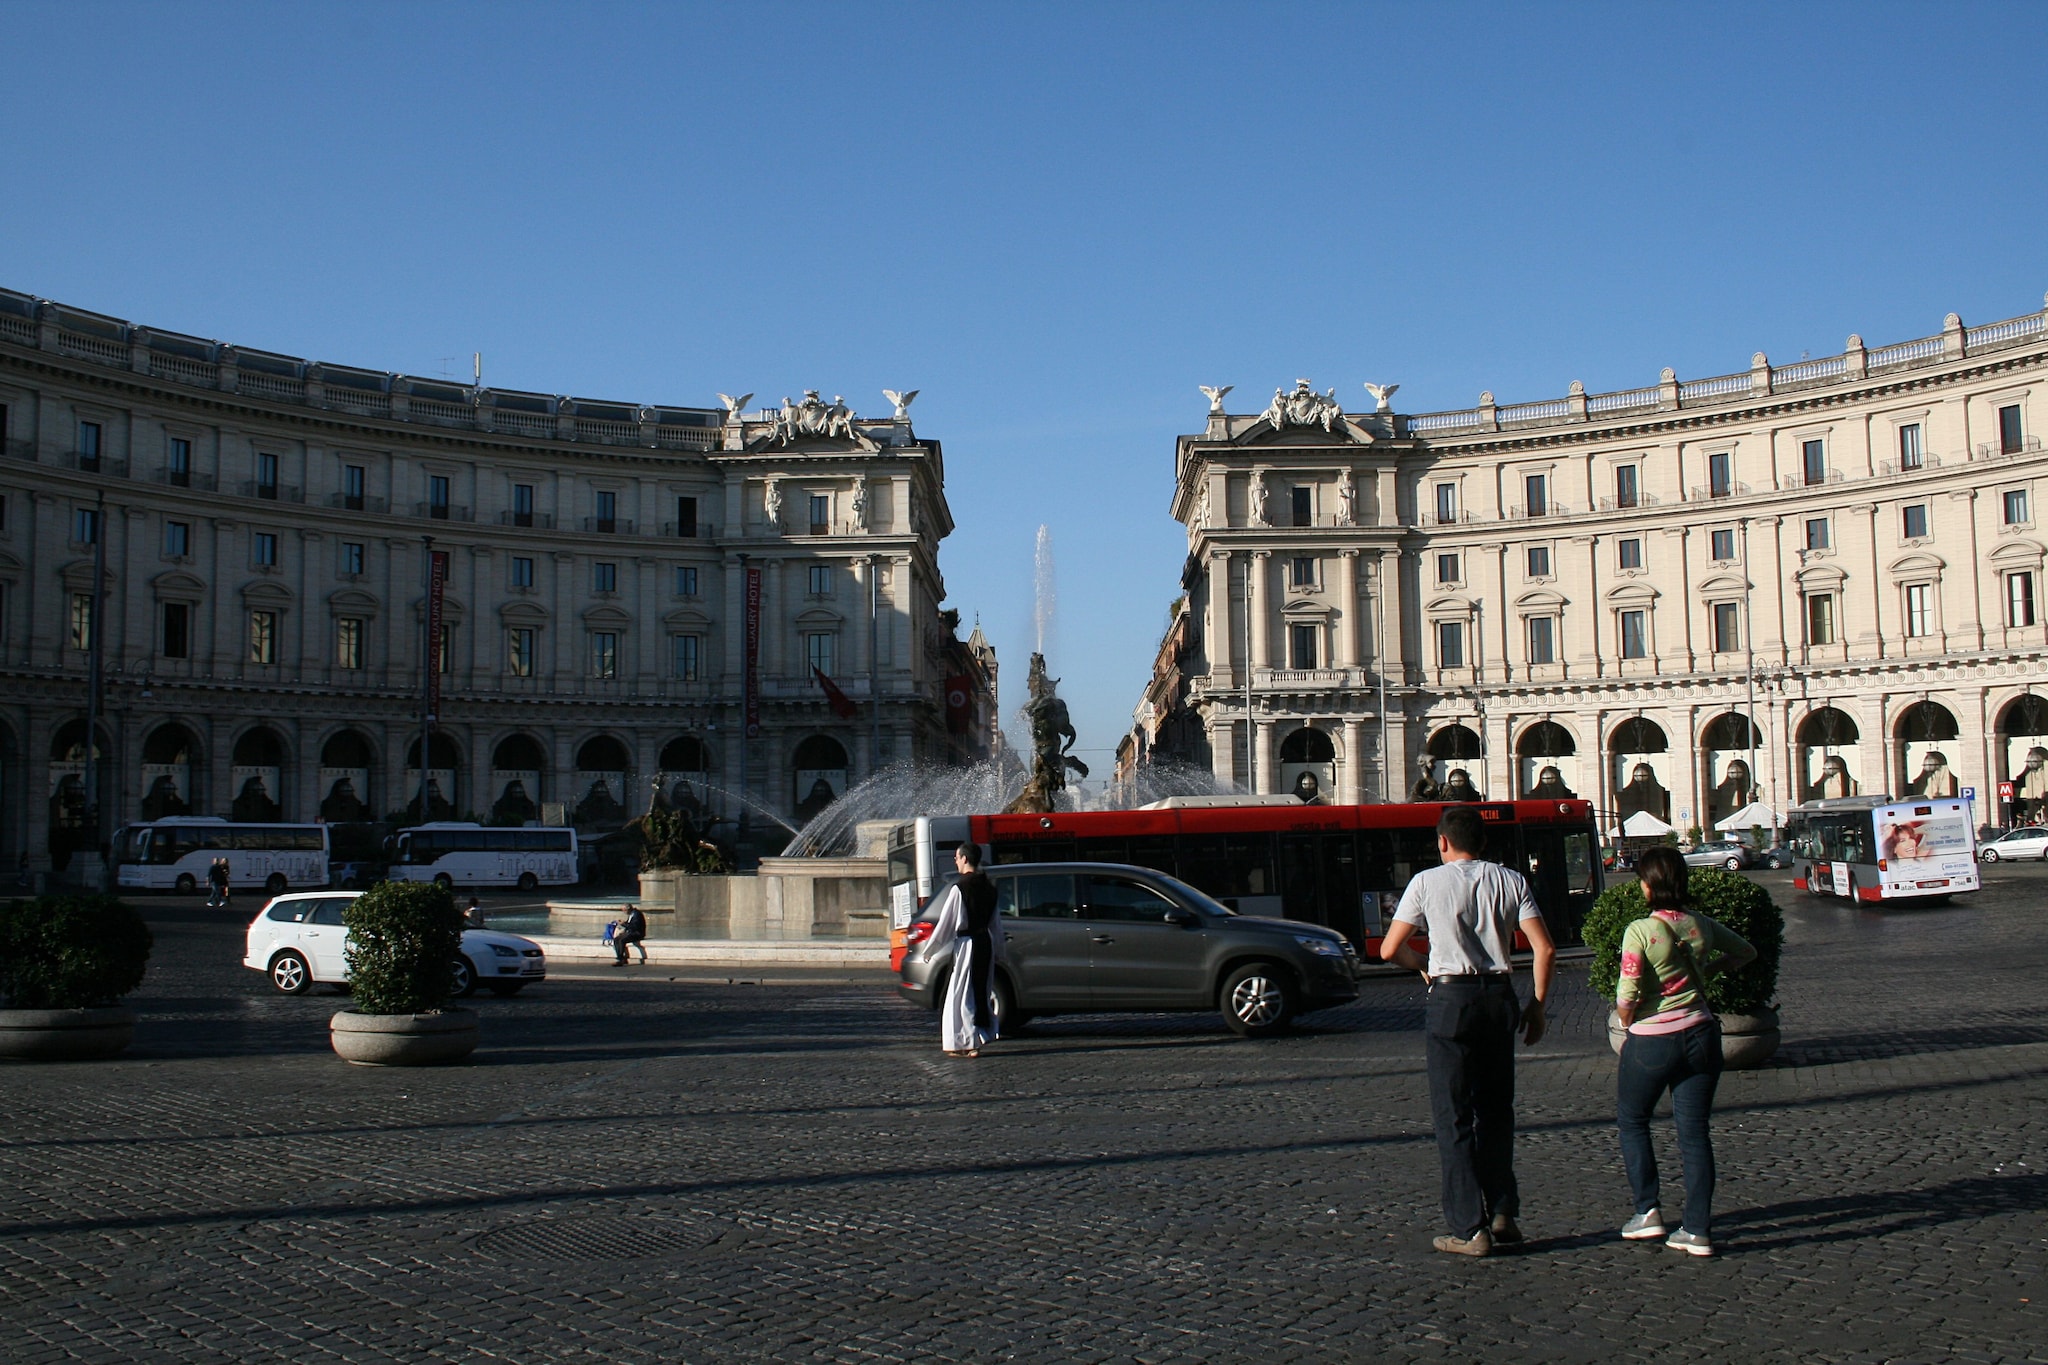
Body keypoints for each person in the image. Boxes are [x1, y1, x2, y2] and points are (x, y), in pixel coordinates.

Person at [1380, 805, 1556, 1257]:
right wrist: (1536, 1005)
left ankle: (1468, 1228)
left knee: (1453, 1114)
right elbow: (1544, 948)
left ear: (1442, 841)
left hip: (1451, 1000)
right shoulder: (1510, 880)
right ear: (1482, 842)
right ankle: (1502, 1212)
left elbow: (1388, 949)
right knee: (1497, 1111)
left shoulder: (1425, 882)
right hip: (1499, 996)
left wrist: (1422, 964)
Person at [1613, 845, 1758, 1257]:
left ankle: (1648, 1211)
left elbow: (1628, 991)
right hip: (1701, 1033)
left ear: (1647, 886)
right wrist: (1706, 973)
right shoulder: (1700, 925)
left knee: (1634, 1120)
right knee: (1694, 1133)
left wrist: (1626, 1018)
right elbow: (1746, 952)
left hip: (1653, 1039)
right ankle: (1697, 1229)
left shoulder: (1641, 930)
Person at [927, 842, 1003, 1057]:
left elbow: (946, 923)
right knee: (980, 991)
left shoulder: (960, 888)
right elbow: (996, 924)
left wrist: (930, 949)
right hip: (984, 944)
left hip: (967, 945)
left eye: (957, 857)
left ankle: (968, 1042)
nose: (955, 861)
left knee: (961, 994)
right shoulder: (989, 888)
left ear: (965, 859)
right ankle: (976, 1037)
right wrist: (998, 949)